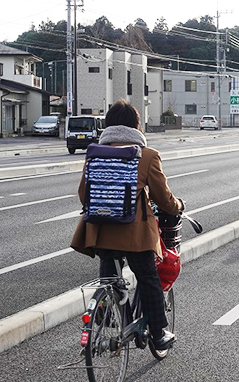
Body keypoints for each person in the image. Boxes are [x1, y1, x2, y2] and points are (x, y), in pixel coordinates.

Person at [70, 99, 183, 351]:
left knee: (110, 276)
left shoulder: (94, 153)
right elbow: (163, 199)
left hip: (99, 232)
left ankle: (106, 309)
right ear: (136, 126)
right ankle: (158, 332)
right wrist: (178, 207)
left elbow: (83, 193)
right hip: (135, 237)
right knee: (147, 276)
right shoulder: (148, 155)